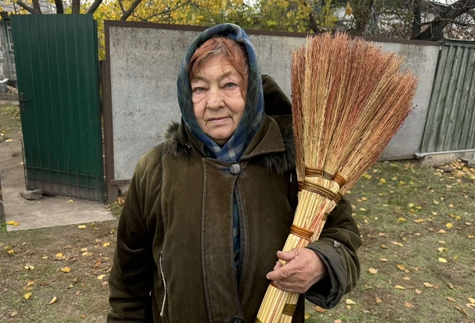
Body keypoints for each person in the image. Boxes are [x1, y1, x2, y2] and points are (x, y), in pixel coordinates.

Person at [108, 23, 362, 323]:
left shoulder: (303, 166)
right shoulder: (155, 170)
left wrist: (321, 261)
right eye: (200, 88)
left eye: (229, 85)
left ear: (251, 89)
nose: (214, 102)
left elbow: (343, 241)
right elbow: (128, 286)